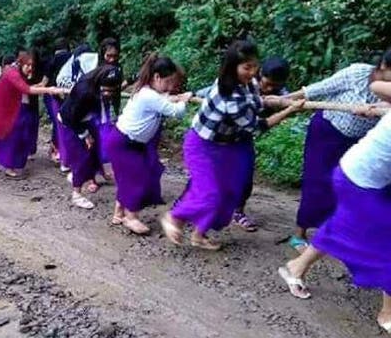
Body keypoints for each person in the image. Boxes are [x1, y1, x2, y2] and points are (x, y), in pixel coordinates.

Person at [164, 40, 304, 251]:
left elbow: (256, 101)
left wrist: (277, 100)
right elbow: (257, 127)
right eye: (246, 67)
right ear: (233, 67)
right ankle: (174, 217)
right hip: (202, 145)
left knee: (230, 191)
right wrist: (288, 111)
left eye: (254, 66)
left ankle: (199, 234)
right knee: (208, 192)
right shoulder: (229, 96)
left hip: (228, 145)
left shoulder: (247, 84)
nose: (252, 71)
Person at [277, 79, 391, 333]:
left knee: (344, 223)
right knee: (385, 242)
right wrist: (380, 104)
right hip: (359, 178)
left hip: (365, 176)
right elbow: (377, 86)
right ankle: (387, 313)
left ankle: (296, 267)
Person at [283, 51, 391, 252]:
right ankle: (299, 233)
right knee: (316, 183)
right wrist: (285, 100)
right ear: (384, 65)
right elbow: (317, 90)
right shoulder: (357, 73)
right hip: (326, 134)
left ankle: (332, 236)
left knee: (344, 188)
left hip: (359, 143)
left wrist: (372, 108)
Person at [194, 56, 292, 232]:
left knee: (245, 177)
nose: (269, 89)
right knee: (208, 174)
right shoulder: (243, 83)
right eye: (266, 83)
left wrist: (286, 106)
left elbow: (286, 103)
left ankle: (238, 211)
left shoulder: (283, 93)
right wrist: (193, 95)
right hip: (224, 137)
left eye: (274, 87)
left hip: (244, 136)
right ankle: (188, 206)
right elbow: (213, 90)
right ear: (260, 74)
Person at [104, 53, 191, 234]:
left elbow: (165, 100)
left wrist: (172, 97)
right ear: (157, 77)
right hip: (123, 142)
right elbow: (176, 112)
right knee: (137, 179)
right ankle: (131, 217)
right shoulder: (148, 95)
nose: (170, 87)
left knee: (138, 174)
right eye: (168, 82)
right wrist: (184, 100)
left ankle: (119, 213)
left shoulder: (151, 93)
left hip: (133, 144)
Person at [0, 50, 65, 178]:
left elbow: (26, 87)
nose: (30, 68)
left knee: (19, 135)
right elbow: (27, 89)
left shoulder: (16, 72)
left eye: (32, 65)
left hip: (10, 109)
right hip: (1, 111)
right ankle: (9, 167)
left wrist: (44, 87)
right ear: (20, 64)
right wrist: (49, 89)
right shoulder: (12, 73)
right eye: (27, 65)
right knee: (13, 137)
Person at [59, 65, 123, 210]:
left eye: (111, 91)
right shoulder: (84, 91)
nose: (108, 93)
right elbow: (71, 118)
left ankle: (86, 176)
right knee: (82, 157)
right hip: (72, 123)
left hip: (87, 121)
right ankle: (76, 193)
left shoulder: (98, 89)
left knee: (94, 152)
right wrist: (85, 135)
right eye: (105, 89)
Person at [41, 38, 72, 165]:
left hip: (52, 96)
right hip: (70, 95)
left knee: (56, 122)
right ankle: (66, 152)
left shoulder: (51, 61)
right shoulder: (73, 58)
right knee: (68, 123)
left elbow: (44, 82)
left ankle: (56, 151)